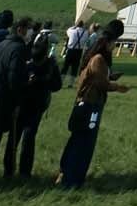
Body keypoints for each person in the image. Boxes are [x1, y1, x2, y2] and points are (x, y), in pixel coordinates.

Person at [57, 20, 128, 188]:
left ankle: (66, 173)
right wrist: (117, 87)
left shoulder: (95, 57)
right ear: (108, 43)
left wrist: (110, 77)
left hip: (87, 103)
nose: (114, 46)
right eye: (114, 43)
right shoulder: (98, 59)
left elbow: (98, 78)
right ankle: (72, 179)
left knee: (78, 139)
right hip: (90, 105)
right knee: (84, 143)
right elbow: (100, 83)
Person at [12, 32, 63, 178]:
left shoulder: (50, 65)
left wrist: (40, 80)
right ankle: (12, 169)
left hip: (36, 106)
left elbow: (57, 85)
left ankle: (24, 172)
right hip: (22, 104)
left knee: (27, 137)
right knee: (17, 137)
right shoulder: (27, 61)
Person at [0, 16, 34, 176]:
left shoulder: (0, 45)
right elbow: (14, 79)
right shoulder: (18, 49)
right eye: (28, 29)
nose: (30, 33)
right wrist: (18, 101)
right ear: (20, 30)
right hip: (3, 100)